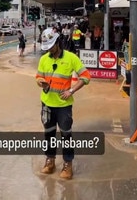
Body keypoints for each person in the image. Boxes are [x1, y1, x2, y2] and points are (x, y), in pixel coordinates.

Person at [35, 29, 91, 180]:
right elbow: (38, 76)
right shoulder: (44, 59)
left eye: (51, 46)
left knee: (66, 134)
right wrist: (42, 83)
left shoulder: (71, 58)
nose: (49, 50)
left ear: (58, 42)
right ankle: (50, 160)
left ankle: (68, 164)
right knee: (49, 133)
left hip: (64, 106)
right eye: (46, 47)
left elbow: (86, 77)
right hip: (47, 103)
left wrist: (71, 91)